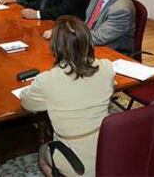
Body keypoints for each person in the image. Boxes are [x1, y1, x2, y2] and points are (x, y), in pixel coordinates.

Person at [20, 15, 115, 176]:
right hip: (110, 150)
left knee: (43, 152)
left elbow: (26, 103)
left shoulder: (47, 80)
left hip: (77, 162)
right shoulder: (107, 67)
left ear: (55, 47)